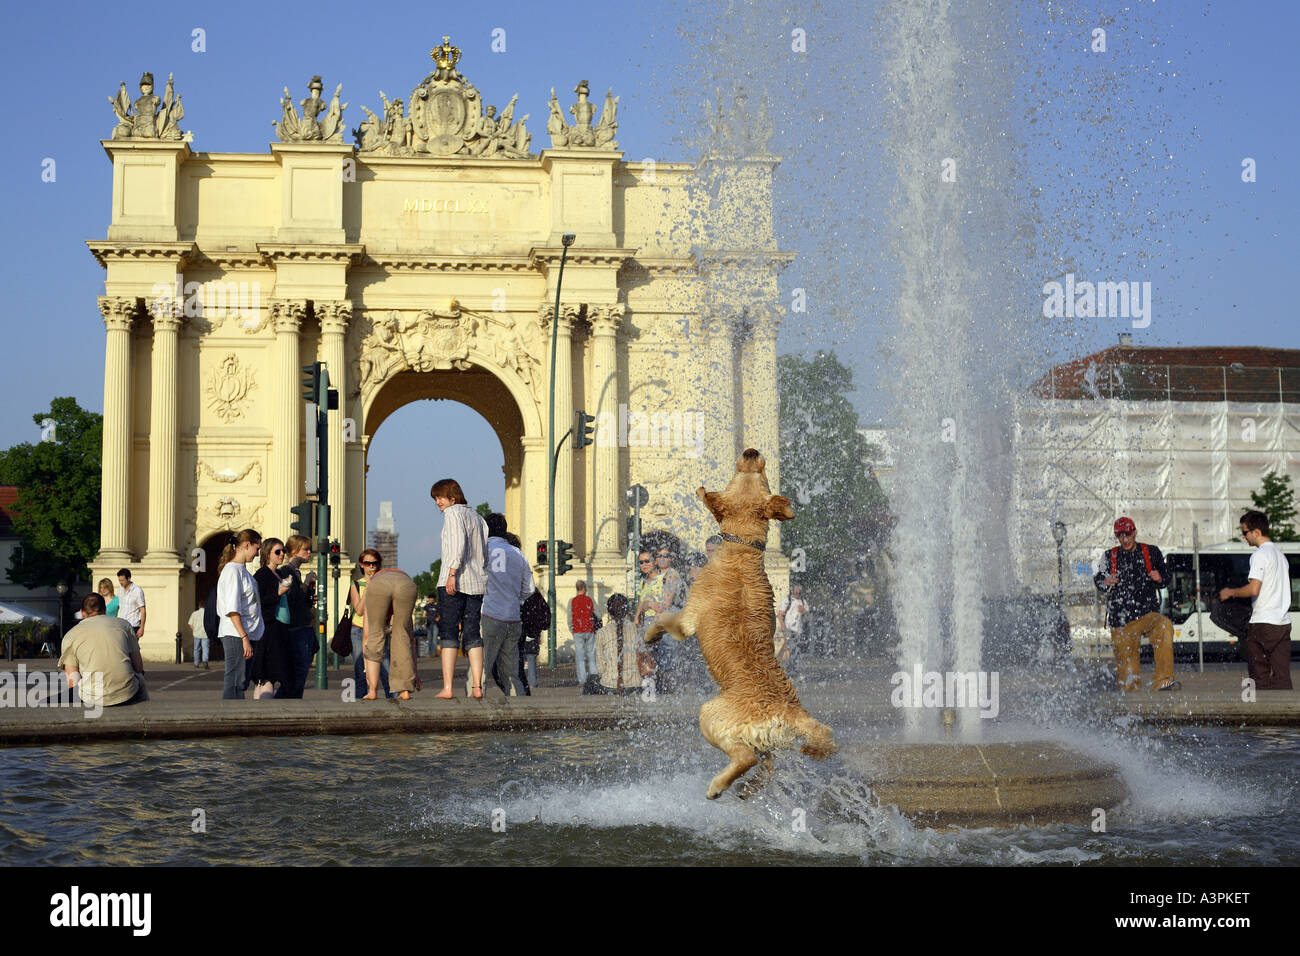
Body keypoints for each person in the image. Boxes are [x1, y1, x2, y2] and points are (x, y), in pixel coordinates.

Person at [1093, 516, 1178, 692]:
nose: (1125, 539)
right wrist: (1105, 581)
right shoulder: (1110, 556)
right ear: (1117, 537)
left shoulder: (1151, 552)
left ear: (1135, 533)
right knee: (1128, 681)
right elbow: (1098, 579)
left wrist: (1160, 577)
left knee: (1164, 625)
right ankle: (1132, 701)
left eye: (1128, 535)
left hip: (1147, 615)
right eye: (1120, 536)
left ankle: (1164, 681)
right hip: (1121, 621)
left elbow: (1166, 576)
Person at [1220, 510, 1293, 690]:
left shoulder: (1260, 555)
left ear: (1256, 532)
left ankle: (1262, 714)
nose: (1244, 537)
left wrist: (1231, 592)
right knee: (1282, 676)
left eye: (1245, 532)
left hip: (1263, 623)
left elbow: (1254, 588)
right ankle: (1285, 715)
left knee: (1259, 676)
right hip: (1283, 623)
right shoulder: (1281, 556)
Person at [431, 478, 489, 699]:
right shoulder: (478, 517)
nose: (437, 502)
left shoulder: (453, 513)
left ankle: (447, 687)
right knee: (473, 633)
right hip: (476, 583)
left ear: (452, 497)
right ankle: (477, 686)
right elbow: (483, 551)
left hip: (453, 581)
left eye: (440, 497)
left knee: (449, 633)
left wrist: (452, 573)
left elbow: (457, 545)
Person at [59, 592, 148, 708]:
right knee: (140, 676)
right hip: (128, 693)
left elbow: (73, 682)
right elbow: (138, 666)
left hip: (91, 697)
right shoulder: (124, 625)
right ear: (105, 610)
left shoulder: (71, 635)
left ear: (82, 613)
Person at [478, 513, 533, 697]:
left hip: (489, 614)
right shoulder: (517, 553)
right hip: (513, 617)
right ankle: (519, 705)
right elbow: (529, 589)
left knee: (482, 666)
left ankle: (476, 702)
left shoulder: (482, 550)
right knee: (512, 670)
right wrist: (515, 599)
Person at [216, 529, 263, 700]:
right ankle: (230, 718)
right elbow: (232, 609)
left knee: (241, 681)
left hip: (247, 632)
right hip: (236, 633)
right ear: (246, 545)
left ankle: (237, 717)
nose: (257, 554)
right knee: (235, 679)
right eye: (257, 549)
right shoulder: (232, 571)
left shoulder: (243, 572)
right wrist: (244, 638)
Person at [362, 567, 420, 700]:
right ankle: (404, 690)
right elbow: (411, 639)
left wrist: (367, 668)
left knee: (375, 634)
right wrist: (415, 674)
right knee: (401, 635)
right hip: (405, 583)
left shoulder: (374, 583)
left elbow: (366, 635)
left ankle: (372, 691)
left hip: (379, 584)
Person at [636, 545, 685, 692]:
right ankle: (657, 693)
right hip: (654, 623)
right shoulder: (651, 580)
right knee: (655, 660)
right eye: (660, 556)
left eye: (666, 556)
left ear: (671, 558)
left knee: (667, 660)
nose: (662, 559)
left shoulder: (671, 575)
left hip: (666, 623)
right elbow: (642, 603)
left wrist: (649, 604)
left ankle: (671, 694)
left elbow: (666, 604)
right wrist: (638, 617)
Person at [252, 538, 295, 699]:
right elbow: (258, 602)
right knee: (267, 674)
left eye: (283, 550)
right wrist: (279, 593)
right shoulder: (262, 574)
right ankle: (263, 713)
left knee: (271, 675)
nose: (282, 554)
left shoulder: (277, 574)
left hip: (278, 627)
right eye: (277, 551)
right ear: (267, 554)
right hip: (269, 629)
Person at [348, 549, 390, 699]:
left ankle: (394, 701)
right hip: (358, 631)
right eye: (367, 563)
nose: (371, 567)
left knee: (386, 669)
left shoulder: (384, 584)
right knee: (361, 671)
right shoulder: (356, 584)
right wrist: (368, 588)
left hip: (377, 630)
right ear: (361, 565)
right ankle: (361, 703)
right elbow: (358, 610)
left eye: (374, 563)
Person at [279, 535, 316, 698]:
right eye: (305, 549)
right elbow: (293, 600)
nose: (309, 552)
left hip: (303, 627)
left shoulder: (296, 572)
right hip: (296, 629)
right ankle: (284, 705)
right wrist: (306, 583)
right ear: (294, 551)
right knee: (297, 674)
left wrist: (308, 593)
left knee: (300, 674)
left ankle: (291, 703)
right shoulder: (287, 571)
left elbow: (301, 600)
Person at [595, 593, 640, 694]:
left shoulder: (602, 633)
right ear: (627, 610)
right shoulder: (635, 629)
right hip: (634, 684)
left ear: (608, 610)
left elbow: (600, 667)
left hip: (610, 684)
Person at [520, 588, 550, 694]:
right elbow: (545, 613)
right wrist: (540, 628)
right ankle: (532, 683)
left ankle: (520, 684)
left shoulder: (517, 590)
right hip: (533, 632)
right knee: (531, 659)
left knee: (518, 660)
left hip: (520, 632)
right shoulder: (536, 596)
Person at [569, 580, 597, 686]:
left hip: (577, 631)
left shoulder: (572, 601)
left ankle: (582, 680)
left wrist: (572, 629)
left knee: (580, 657)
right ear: (584, 588)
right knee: (591, 656)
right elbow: (597, 613)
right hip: (589, 630)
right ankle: (594, 678)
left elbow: (569, 617)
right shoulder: (590, 600)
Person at [776, 583, 809, 666]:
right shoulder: (787, 601)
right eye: (795, 593)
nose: (797, 595)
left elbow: (808, 616)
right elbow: (780, 614)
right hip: (788, 628)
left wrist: (804, 610)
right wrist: (783, 627)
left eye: (799, 593)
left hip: (798, 630)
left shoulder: (803, 602)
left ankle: (780, 663)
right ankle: (792, 666)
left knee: (791, 648)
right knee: (792, 647)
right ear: (792, 592)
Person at [116, 567, 146, 640]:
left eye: (122, 580)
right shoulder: (120, 590)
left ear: (129, 578)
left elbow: (143, 610)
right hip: (122, 626)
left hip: (133, 626)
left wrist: (142, 628)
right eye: (119, 580)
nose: (120, 582)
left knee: (132, 650)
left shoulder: (137, 591)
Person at [188, 598, 209, 669]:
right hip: (205, 634)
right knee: (205, 648)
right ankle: (205, 661)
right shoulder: (207, 613)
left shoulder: (194, 613)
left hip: (197, 634)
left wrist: (195, 629)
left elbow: (190, 624)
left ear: (199, 606)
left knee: (196, 649)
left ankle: (196, 663)